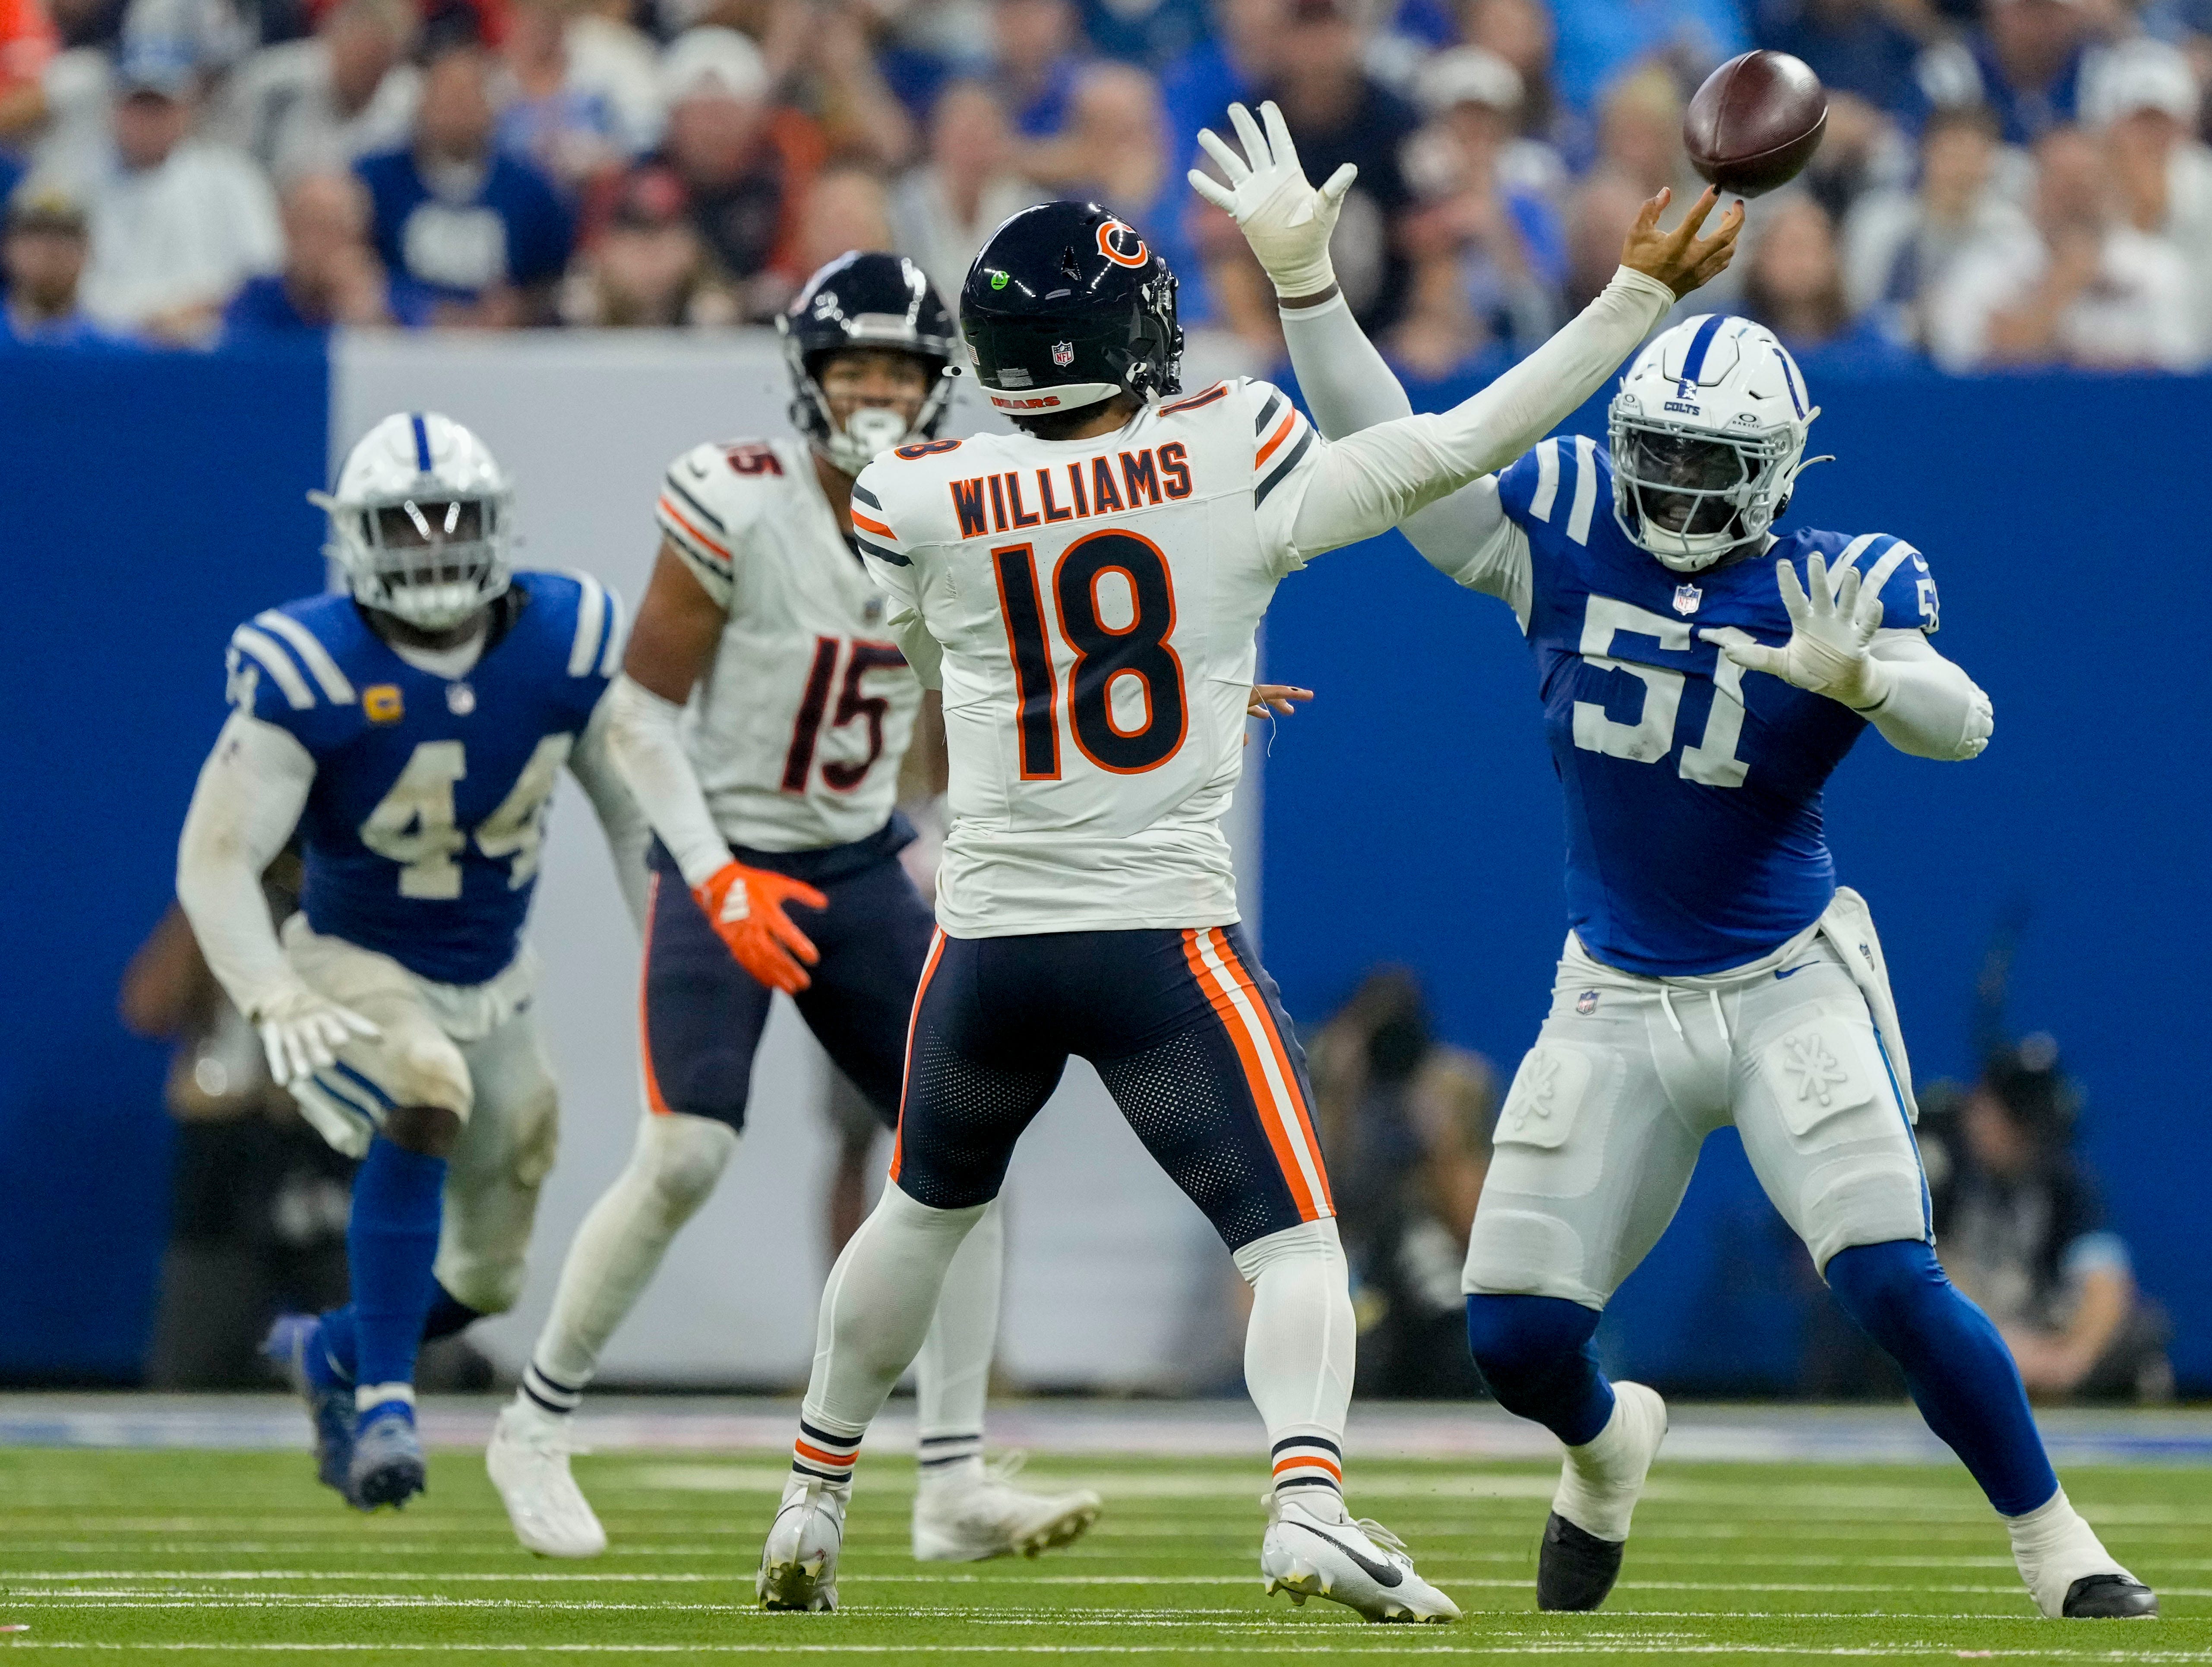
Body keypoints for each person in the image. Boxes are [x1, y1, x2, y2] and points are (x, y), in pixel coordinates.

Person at [750, 117, 1740, 1620]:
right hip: (1159, 946)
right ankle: (1307, 1504)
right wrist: (1630, 302)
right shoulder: (1229, 444)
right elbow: (1453, 445)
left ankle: (813, 1499)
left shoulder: (918, 496)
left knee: (923, 1210)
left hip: (989, 946)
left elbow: (963, 667)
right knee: (1293, 1239)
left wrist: (1174, 678)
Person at [1226, 104, 2158, 1622]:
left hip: (1788, 977)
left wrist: (1862, 682)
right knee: (1515, 1337)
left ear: (1784, 464)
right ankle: (1606, 1448)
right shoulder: (1567, 515)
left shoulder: (1836, 579)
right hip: (1616, 991)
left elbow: (1964, 721)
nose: (1669, 489)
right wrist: (1310, 291)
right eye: (1654, 454)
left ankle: (2059, 1542)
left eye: (1706, 463)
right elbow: (1393, 461)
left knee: (1884, 1278)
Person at [487, 252, 1104, 1567]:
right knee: (687, 1155)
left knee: (964, 1156)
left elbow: (990, 690)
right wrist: (712, 875)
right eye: (855, 366)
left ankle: (948, 1484)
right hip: (730, 853)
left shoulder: (951, 507)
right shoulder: (737, 500)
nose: (877, 390)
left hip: (858, 861)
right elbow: (638, 715)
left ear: (941, 384)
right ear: (808, 376)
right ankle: (533, 1425)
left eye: (899, 367)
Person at [174, 411, 649, 1509]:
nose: (434, 544)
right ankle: (388, 1402)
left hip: (496, 981)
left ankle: (336, 1351)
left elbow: (636, 821)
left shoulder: (566, 639)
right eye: (407, 523)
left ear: (498, 527)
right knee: (421, 1082)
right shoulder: (310, 661)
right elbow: (214, 860)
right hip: (351, 961)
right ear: (357, 538)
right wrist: (272, 991)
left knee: (488, 1273)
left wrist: (677, 962)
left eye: (454, 521)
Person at [1929, 1038, 2172, 1403]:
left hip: (2034, 1327)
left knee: (2144, 1328)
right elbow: (1923, 1269)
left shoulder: (2061, 1177)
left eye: (2036, 1124)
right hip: (1960, 1324)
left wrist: (2074, 1357)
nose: (2028, 1138)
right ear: (1981, 1108)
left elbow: (2104, 1278)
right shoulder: (1935, 1159)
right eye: (2016, 1121)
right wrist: (1996, 1343)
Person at [75, 35, 282, 340]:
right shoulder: (77, 182)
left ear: (186, 110)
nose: (147, 121)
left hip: (204, 349)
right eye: (137, 106)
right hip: (101, 349)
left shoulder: (232, 177)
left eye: (159, 107)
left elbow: (264, 272)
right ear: (113, 110)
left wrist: (200, 310)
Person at [355, 38, 574, 326]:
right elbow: (355, 264)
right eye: (446, 97)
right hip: (398, 343)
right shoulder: (375, 181)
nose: (457, 111)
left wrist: (520, 310)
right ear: (422, 103)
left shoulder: (533, 190)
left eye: (468, 97)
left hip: (504, 350)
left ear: (491, 106)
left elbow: (553, 278)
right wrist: (415, 309)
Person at [212, 0, 420, 184]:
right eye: (359, 51)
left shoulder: (410, 104)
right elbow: (219, 159)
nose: (364, 66)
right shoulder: (273, 82)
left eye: (378, 60)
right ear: (331, 38)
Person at [222, 170, 405, 332]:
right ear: (286, 227)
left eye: (333, 227)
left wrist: (364, 312)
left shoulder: (397, 298)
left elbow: (410, 357)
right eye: (306, 225)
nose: (317, 241)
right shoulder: (257, 298)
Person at [0, 181, 126, 343]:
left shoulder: (113, 356)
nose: (53, 250)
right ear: (8, 248)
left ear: (88, 250)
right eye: (37, 233)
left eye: (67, 236)